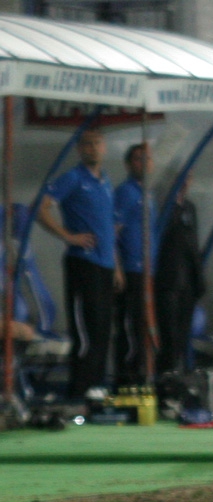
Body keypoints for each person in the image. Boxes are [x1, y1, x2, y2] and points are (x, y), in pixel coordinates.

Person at [37, 128, 118, 399]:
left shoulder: (105, 180)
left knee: (103, 332)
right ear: (79, 149)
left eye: (97, 142)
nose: (93, 148)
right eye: (87, 144)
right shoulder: (73, 178)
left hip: (105, 266)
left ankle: (96, 390)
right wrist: (68, 236)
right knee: (87, 334)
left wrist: (116, 265)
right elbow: (40, 207)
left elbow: (108, 226)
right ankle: (80, 393)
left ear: (104, 147)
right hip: (83, 265)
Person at [112, 143, 157, 387]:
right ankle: (126, 381)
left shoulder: (147, 193)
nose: (145, 163)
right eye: (139, 159)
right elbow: (113, 232)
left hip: (148, 270)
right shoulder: (126, 193)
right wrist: (117, 268)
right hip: (131, 270)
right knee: (131, 328)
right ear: (129, 165)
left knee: (144, 328)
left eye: (148, 159)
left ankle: (142, 377)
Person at [154, 173, 205, 375]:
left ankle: (180, 374)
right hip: (168, 279)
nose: (185, 182)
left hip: (188, 281)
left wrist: (199, 277)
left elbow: (193, 243)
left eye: (189, 178)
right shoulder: (162, 206)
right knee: (169, 332)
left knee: (183, 333)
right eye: (181, 177)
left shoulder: (189, 207)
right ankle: (166, 373)